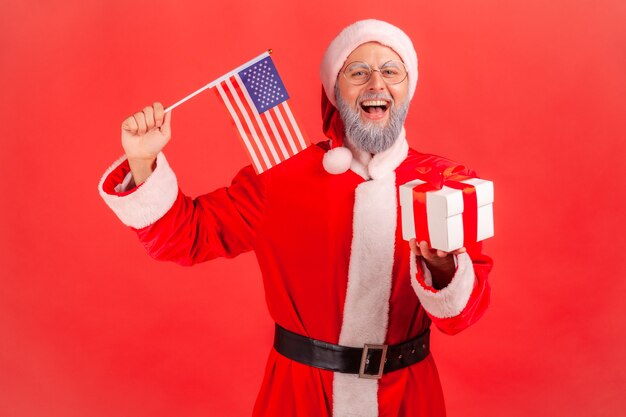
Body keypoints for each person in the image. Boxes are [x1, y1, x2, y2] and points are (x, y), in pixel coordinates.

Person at [99, 19, 492, 417]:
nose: (376, 84)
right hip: (299, 397)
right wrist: (141, 161)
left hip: (408, 397)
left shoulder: (448, 183)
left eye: (391, 71)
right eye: (358, 72)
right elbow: (185, 237)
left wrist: (445, 271)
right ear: (335, 92)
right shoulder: (281, 178)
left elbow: (462, 315)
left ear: (407, 89)